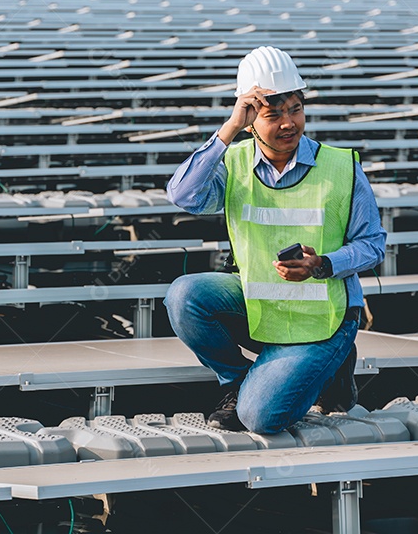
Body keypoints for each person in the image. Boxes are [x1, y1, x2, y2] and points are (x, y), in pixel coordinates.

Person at [165, 45, 386, 434]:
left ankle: (331, 364)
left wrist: (323, 264)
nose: (288, 123)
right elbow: (183, 195)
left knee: (260, 419)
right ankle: (238, 384)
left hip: (326, 318)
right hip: (260, 305)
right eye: (273, 114)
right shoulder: (233, 163)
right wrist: (228, 130)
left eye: (295, 109)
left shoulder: (341, 167)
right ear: (251, 120)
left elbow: (373, 245)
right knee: (185, 295)